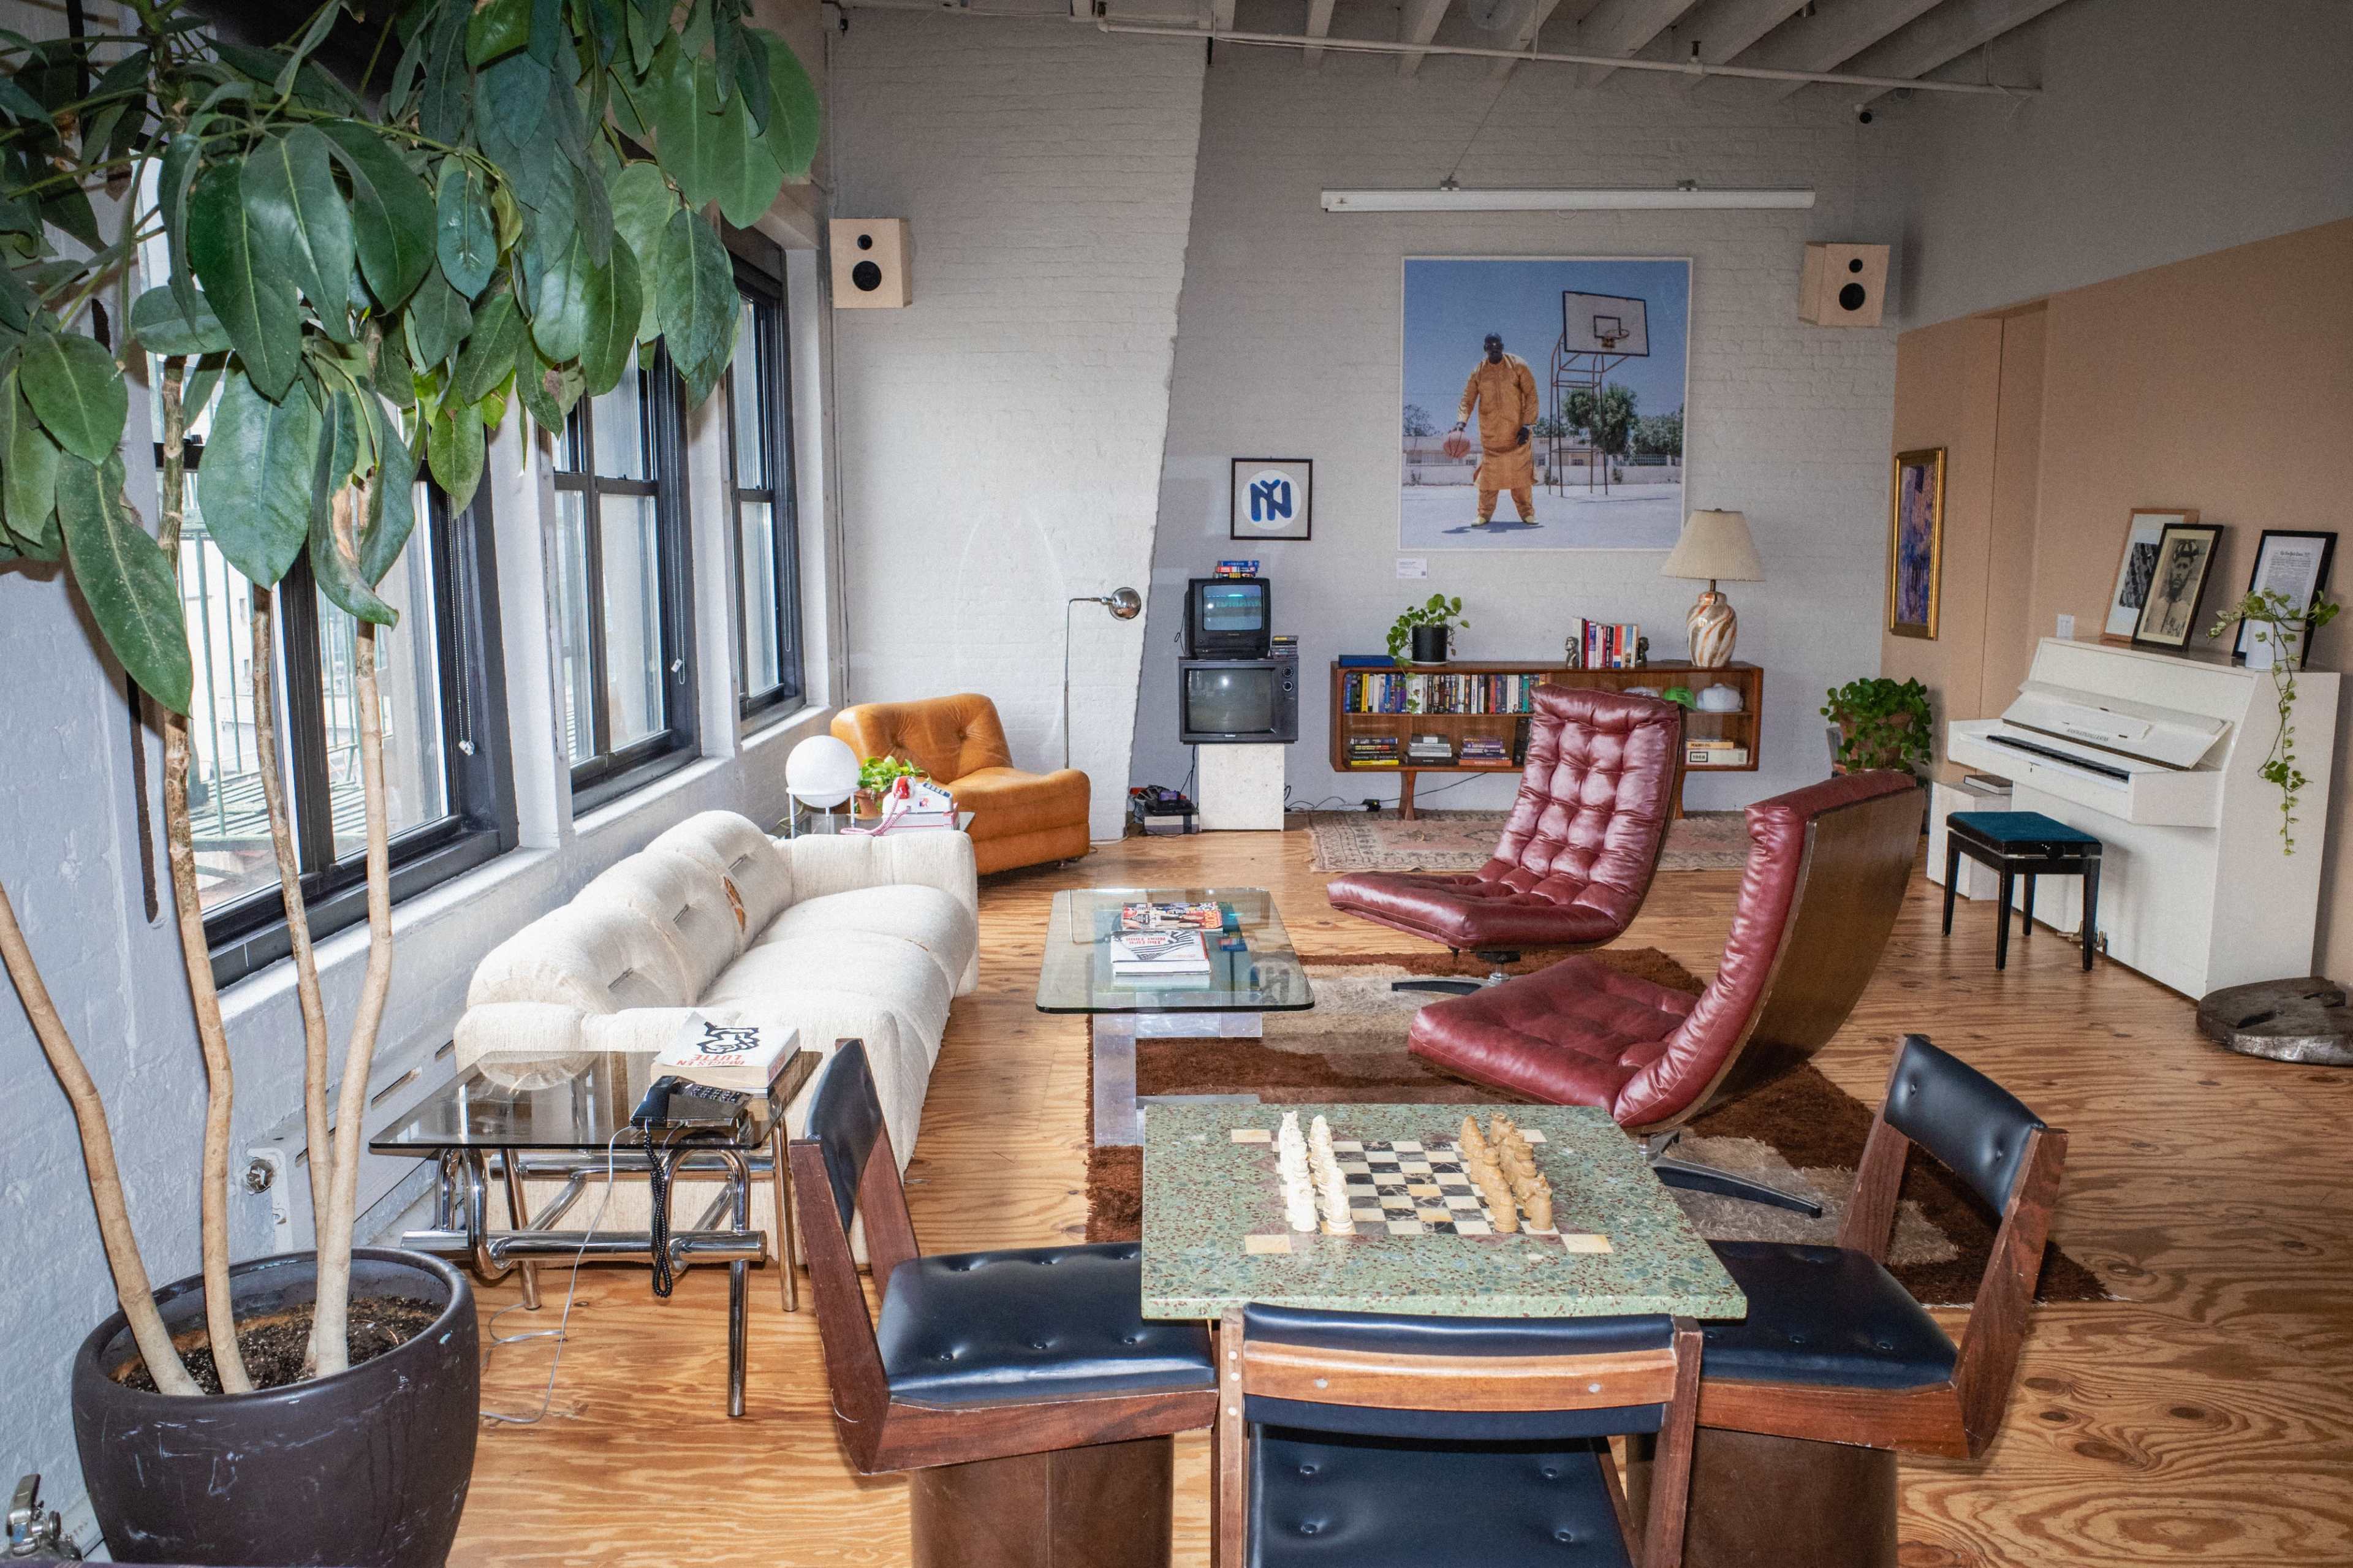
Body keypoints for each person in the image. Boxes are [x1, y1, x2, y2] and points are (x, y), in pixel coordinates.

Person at [1452, 333, 1540, 527]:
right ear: (1485, 349)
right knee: (1489, 477)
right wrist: (1461, 423)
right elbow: (1467, 400)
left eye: (1497, 345)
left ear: (1502, 346)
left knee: (1520, 476)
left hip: (1517, 433)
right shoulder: (1478, 372)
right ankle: (1484, 514)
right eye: (1490, 346)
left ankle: (1527, 513)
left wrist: (1527, 425)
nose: (1494, 349)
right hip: (1491, 434)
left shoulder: (1518, 365)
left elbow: (1531, 395)